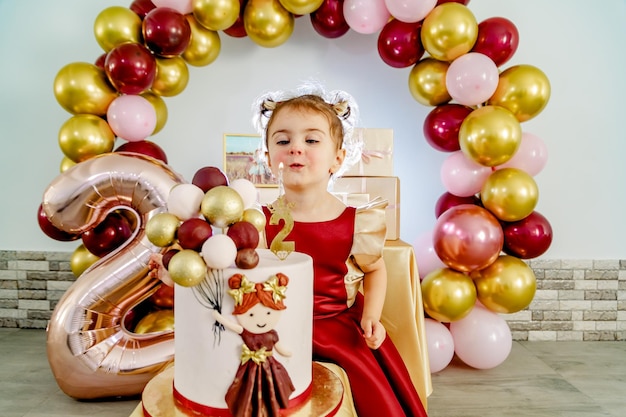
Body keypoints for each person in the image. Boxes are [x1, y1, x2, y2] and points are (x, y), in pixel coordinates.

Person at [255, 86, 428, 417]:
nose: (295, 149)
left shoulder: (355, 221)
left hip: (336, 326)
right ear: (267, 158)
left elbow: (375, 269)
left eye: (311, 140)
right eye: (282, 141)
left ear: (337, 158)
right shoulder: (258, 221)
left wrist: (371, 317)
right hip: (275, 327)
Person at [212, 273, 295, 417]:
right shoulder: (247, 333)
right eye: (251, 314)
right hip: (250, 366)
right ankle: (247, 407)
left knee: (273, 383)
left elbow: (279, 347)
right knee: (247, 385)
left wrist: (286, 352)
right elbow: (233, 326)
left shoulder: (272, 334)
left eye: (268, 312)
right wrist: (219, 318)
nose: (261, 320)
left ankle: (272, 404)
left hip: (270, 365)